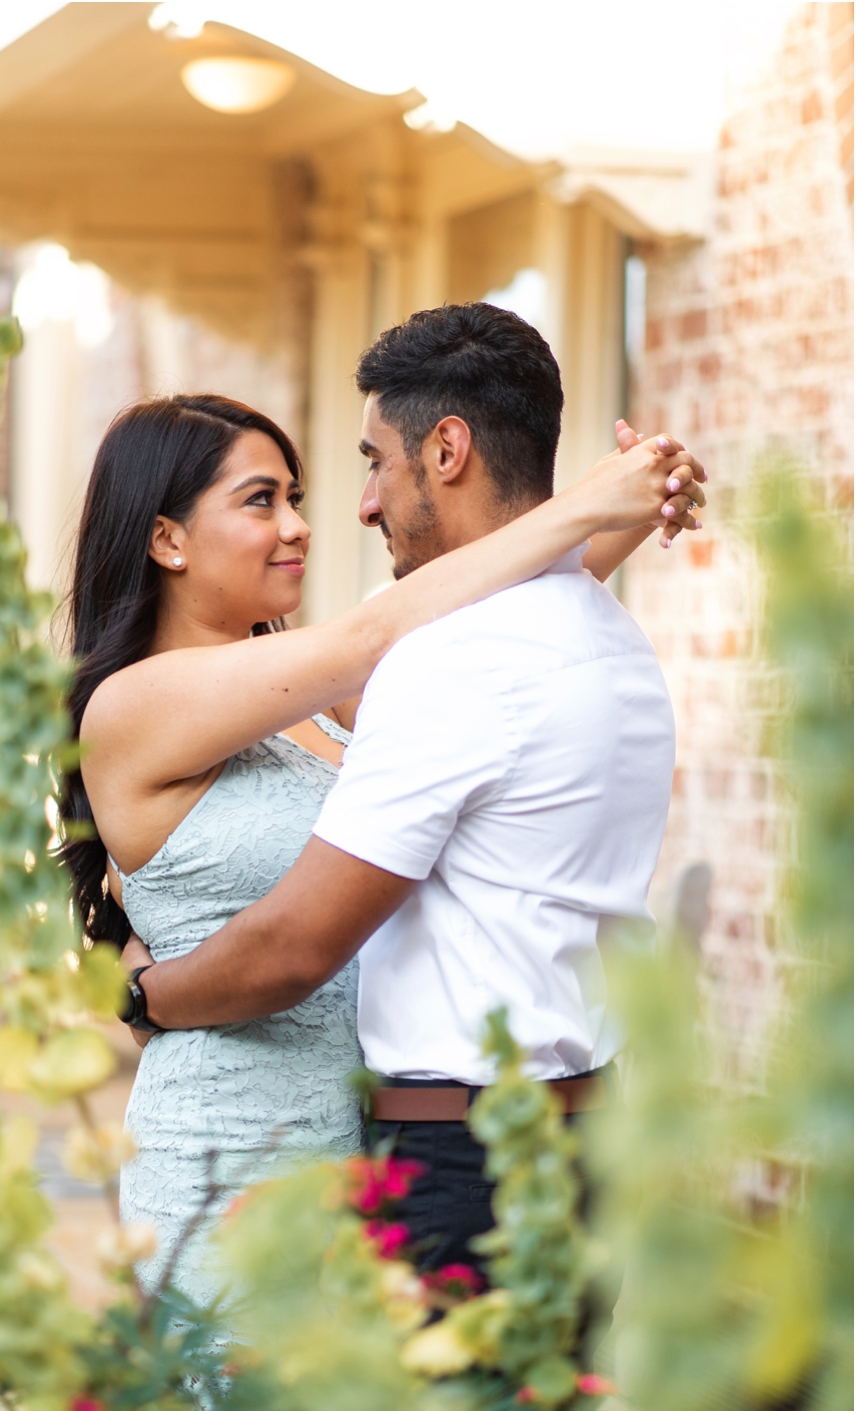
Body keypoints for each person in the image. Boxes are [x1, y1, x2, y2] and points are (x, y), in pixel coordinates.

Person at [65, 318, 703, 1303]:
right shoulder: (134, 705)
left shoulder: (328, 701)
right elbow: (390, 625)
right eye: (261, 500)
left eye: (299, 497)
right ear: (165, 537)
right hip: (234, 1154)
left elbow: (491, 663)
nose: (303, 524)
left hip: (367, 1155)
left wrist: (615, 523)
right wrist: (578, 504)